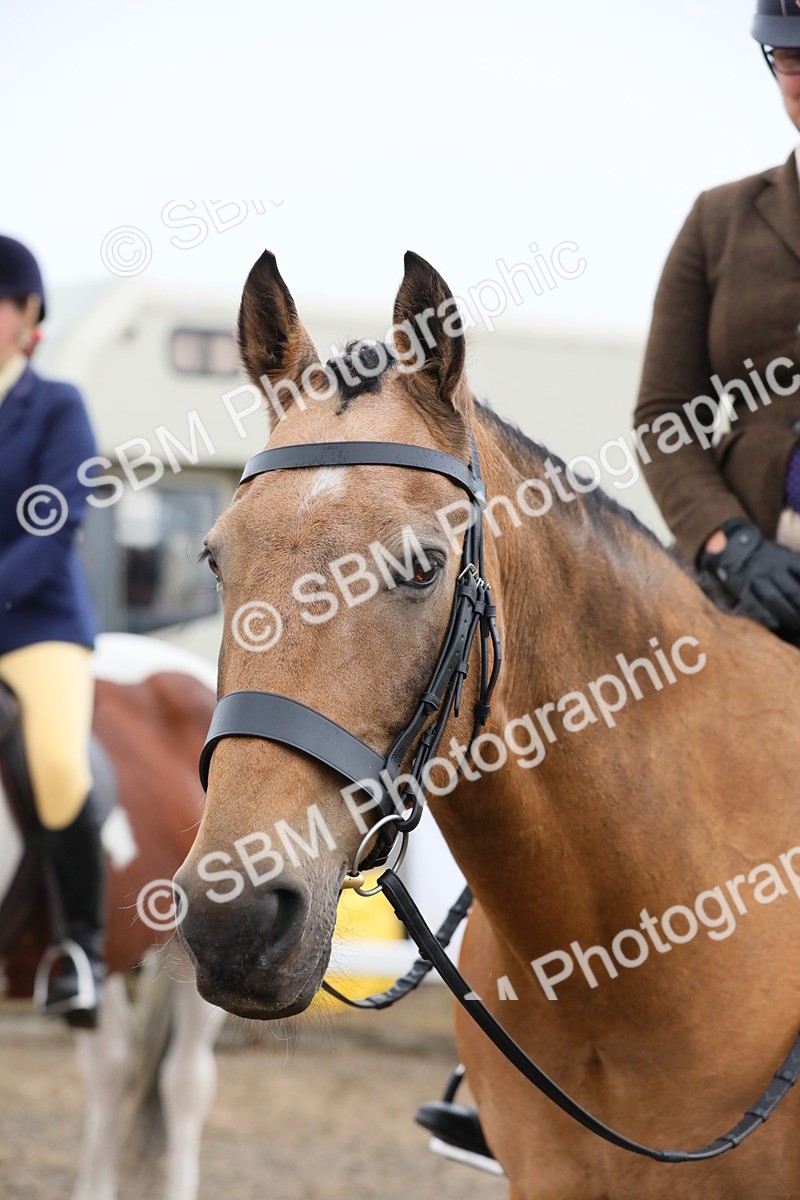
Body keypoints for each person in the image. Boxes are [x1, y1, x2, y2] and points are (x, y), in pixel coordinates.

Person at [633, 0, 800, 638]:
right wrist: (728, 543)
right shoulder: (718, 220)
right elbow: (664, 414)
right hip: (747, 580)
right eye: (793, 58)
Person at [0, 234, 105, 1027]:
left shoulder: (56, 405)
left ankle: (81, 951)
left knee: (59, 763)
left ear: (27, 313)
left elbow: (56, 520)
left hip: (39, 627)